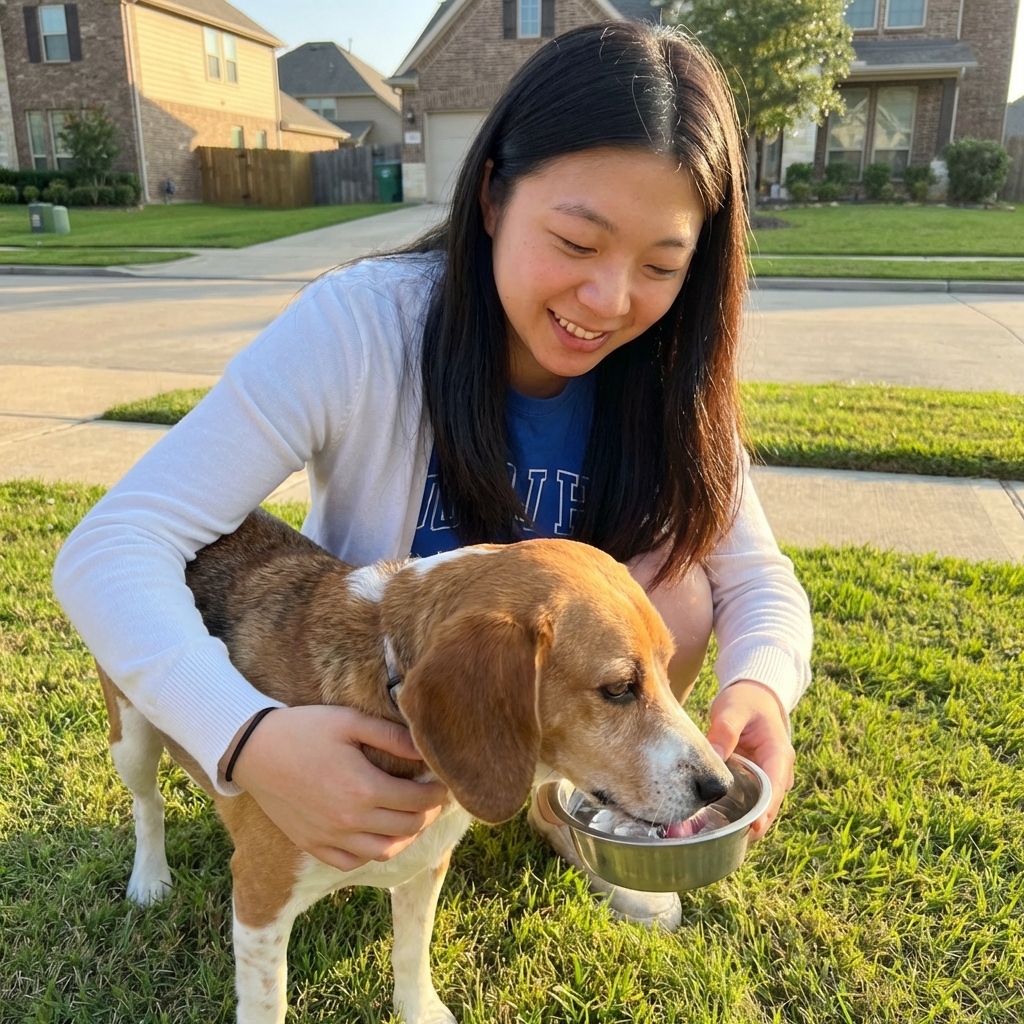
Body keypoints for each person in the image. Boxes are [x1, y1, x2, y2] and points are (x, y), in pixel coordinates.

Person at [53, 21, 811, 933]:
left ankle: (569, 795)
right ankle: (498, 775)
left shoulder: (673, 368)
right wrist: (244, 736)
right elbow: (112, 546)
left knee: (679, 594)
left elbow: (758, 577)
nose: (610, 301)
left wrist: (761, 686)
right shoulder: (360, 327)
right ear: (491, 195)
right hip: (398, 698)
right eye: (576, 242)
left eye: (661, 265)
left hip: (564, 689)